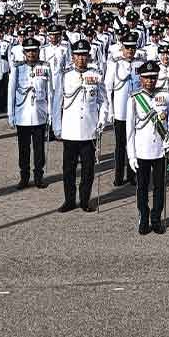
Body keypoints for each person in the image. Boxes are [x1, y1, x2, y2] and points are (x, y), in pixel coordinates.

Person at [52, 40, 107, 213]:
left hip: (89, 130)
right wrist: (57, 127)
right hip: (70, 130)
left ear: (89, 56)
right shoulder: (65, 75)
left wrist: (101, 122)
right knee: (68, 169)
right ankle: (69, 200)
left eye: (84, 55)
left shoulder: (96, 75)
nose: (81, 58)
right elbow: (57, 102)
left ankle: (84, 200)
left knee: (88, 169)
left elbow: (104, 101)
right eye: (78, 55)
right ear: (73, 56)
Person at [126, 61, 169, 235]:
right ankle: (144, 217)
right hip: (142, 150)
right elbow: (130, 130)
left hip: (161, 150)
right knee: (142, 187)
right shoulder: (134, 98)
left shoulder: (166, 95)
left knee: (159, 186)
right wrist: (131, 155)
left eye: (153, 78)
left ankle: (156, 219)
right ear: (140, 78)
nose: (150, 81)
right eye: (146, 78)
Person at [7, 38, 55, 189]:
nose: (32, 53)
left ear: (38, 51)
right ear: (24, 53)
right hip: (22, 115)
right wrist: (11, 115)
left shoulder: (45, 67)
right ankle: (24, 176)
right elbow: (11, 92)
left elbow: (50, 93)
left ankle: (39, 176)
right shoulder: (18, 68)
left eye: (34, 50)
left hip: (39, 115)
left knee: (39, 148)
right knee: (24, 148)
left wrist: (50, 114)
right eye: (28, 51)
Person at [104, 32, 142, 185]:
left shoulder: (140, 64)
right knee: (120, 145)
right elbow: (108, 87)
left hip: (137, 111)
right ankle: (118, 177)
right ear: (122, 48)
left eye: (133, 48)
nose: (130, 51)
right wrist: (110, 110)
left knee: (134, 143)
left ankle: (133, 175)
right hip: (120, 111)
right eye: (127, 48)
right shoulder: (115, 63)